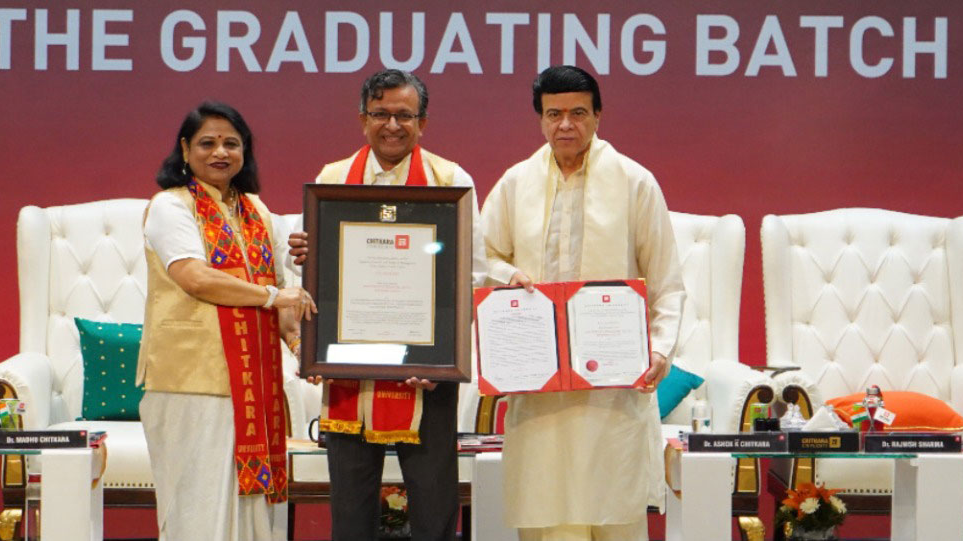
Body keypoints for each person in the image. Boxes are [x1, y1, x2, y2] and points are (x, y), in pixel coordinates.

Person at [480, 65, 685, 540]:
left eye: (578, 113)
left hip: (611, 390)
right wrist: (509, 275)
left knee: (615, 513)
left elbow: (666, 281)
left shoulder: (634, 181)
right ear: (540, 119)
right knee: (548, 514)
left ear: (598, 116)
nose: (565, 125)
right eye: (554, 114)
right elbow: (480, 256)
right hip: (540, 390)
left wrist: (659, 349)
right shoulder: (516, 183)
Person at [287, 69, 487, 541]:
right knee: (351, 506)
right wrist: (303, 255)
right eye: (380, 114)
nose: (392, 125)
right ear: (362, 119)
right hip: (350, 366)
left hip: (429, 370)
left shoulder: (450, 180)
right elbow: (314, 275)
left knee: (433, 501)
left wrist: (441, 356)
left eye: (404, 115)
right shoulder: (333, 180)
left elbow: (472, 274)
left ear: (423, 122)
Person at [139, 101, 316, 540]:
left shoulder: (255, 209)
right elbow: (195, 278)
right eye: (207, 143)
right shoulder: (170, 206)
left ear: (245, 152)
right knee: (198, 507)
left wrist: (300, 348)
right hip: (191, 383)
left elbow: (280, 288)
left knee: (250, 510)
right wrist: (272, 296)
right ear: (185, 149)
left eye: (231, 144)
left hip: (253, 383)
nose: (220, 152)